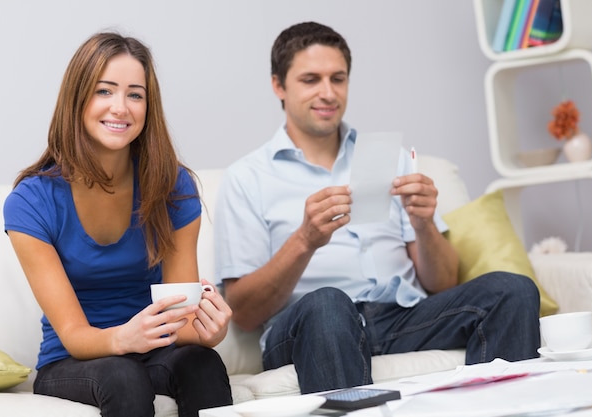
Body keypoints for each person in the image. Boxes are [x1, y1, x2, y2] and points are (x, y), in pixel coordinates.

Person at [213, 21, 541, 394]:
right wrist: (304, 240)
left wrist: (423, 225)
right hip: (310, 324)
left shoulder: (389, 158)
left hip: (401, 317)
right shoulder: (248, 177)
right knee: (329, 304)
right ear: (278, 86)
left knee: (511, 289)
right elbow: (244, 311)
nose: (328, 92)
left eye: (338, 78)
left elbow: (443, 282)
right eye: (311, 80)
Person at [3, 32, 233, 417]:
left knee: (201, 363)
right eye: (104, 91)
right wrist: (125, 337)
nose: (121, 108)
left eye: (135, 94)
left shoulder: (172, 186)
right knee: (122, 375)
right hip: (73, 362)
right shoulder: (31, 202)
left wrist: (212, 329)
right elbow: (75, 337)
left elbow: (183, 325)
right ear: (78, 99)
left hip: (154, 348)